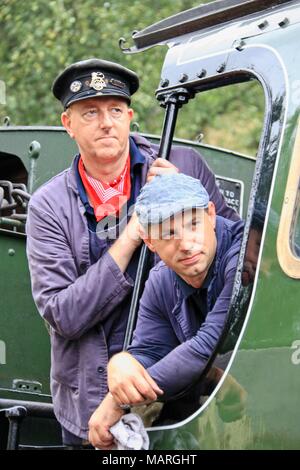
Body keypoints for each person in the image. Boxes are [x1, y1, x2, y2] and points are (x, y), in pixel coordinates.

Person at [26, 58, 239, 447]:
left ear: (130, 116)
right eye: (90, 113)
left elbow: (237, 261)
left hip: (188, 393)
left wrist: (182, 197)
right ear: (67, 124)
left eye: (115, 111)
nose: (106, 123)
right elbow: (64, 315)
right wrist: (128, 240)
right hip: (94, 402)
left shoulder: (184, 164)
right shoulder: (48, 206)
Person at [88, 173, 245, 449]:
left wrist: (117, 400)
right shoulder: (161, 280)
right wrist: (124, 363)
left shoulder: (245, 254)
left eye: (193, 225)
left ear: (210, 214)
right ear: (149, 241)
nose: (185, 244)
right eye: (169, 233)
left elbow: (208, 347)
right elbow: (150, 351)